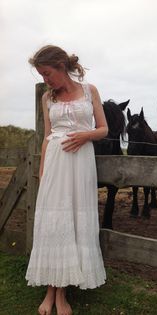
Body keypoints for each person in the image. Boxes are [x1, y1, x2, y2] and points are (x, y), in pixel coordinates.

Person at [25, 45, 108, 315]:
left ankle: (61, 294)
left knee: (73, 222)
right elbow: (47, 137)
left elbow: (104, 129)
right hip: (56, 165)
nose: (45, 80)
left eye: (48, 73)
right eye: (42, 75)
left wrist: (85, 135)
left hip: (81, 165)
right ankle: (50, 291)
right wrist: (42, 171)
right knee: (53, 223)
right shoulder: (47, 98)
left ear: (62, 66)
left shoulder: (90, 91)